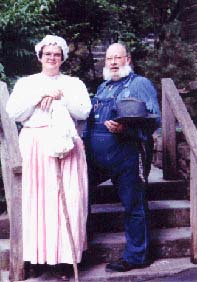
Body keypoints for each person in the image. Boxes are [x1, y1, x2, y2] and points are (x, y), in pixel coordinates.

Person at [6, 35, 92, 278]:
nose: (52, 58)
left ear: (63, 58)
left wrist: (59, 96)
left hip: (68, 147)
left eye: (56, 54)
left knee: (70, 199)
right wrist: (40, 95)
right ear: (40, 57)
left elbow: (84, 110)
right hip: (35, 147)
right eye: (47, 54)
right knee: (37, 202)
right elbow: (14, 112)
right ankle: (36, 258)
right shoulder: (27, 83)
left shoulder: (74, 83)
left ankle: (66, 260)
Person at [83, 42, 161, 272]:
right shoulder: (102, 88)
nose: (114, 62)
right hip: (98, 158)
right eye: (109, 59)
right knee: (79, 196)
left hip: (128, 154)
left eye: (118, 57)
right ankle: (81, 249)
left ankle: (137, 256)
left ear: (128, 59)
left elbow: (154, 118)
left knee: (133, 205)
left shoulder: (140, 84)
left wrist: (125, 129)